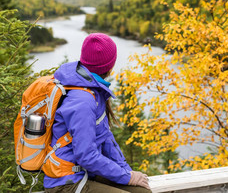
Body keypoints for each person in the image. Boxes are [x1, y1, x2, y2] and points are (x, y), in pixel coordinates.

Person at [44, 33, 151, 193]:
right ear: (109, 65)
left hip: (85, 172)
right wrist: (127, 177)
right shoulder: (83, 100)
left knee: (141, 191)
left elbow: (106, 138)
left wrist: (128, 173)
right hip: (66, 182)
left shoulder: (92, 88)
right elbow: (86, 156)